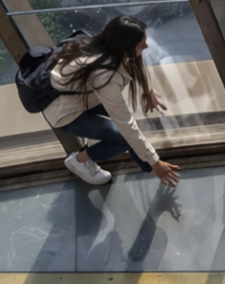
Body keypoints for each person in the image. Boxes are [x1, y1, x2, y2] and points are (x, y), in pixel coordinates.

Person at [46, 16, 182, 187]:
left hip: (79, 98)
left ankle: (146, 167)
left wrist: (148, 92)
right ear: (125, 48)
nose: (146, 46)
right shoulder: (106, 76)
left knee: (127, 130)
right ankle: (79, 161)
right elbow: (126, 125)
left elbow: (134, 63)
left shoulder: (102, 46)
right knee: (123, 137)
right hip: (66, 113)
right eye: (141, 45)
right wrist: (156, 162)